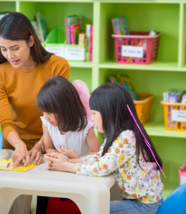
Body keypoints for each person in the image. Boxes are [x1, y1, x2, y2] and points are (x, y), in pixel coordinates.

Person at [45, 83, 164, 214]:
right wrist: (71, 161)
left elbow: (102, 167)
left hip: (145, 205)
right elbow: (101, 156)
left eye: (94, 113)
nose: (92, 118)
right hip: (136, 201)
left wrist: (66, 167)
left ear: (109, 113)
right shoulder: (118, 134)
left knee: (95, 209)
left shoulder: (127, 137)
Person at [0, 12, 71, 168]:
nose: (10, 55)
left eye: (15, 48)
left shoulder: (58, 66)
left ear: (31, 41)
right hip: (14, 149)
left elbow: (57, 116)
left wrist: (40, 145)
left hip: (51, 146)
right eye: (4, 49)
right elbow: (6, 123)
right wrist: (19, 145)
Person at [36, 76, 100, 158]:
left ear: (65, 109)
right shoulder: (47, 124)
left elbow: (96, 152)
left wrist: (74, 159)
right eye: (44, 111)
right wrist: (59, 156)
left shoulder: (86, 126)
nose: (45, 117)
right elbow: (49, 148)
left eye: (49, 113)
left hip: (81, 167)